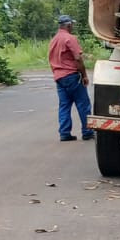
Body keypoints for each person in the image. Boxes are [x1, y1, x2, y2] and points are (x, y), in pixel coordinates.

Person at [48, 14, 94, 143]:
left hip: (59, 77)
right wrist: (84, 75)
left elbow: (51, 59)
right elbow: (78, 58)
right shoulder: (70, 38)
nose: (72, 26)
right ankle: (87, 132)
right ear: (68, 25)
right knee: (83, 104)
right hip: (72, 76)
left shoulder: (54, 40)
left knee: (64, 105)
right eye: (72, 24)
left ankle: (64, 133)